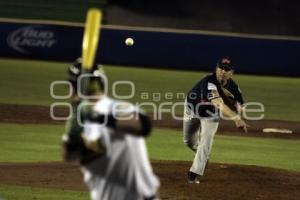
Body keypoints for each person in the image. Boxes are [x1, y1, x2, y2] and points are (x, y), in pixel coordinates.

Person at [62, 58, 160, 200]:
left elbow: (144, 126)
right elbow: (71, 155)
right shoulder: (77, 120)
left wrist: (97, 117)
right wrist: (73, 135)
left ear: (73, 86)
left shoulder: (115, 107)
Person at [183, 57, 248, 184]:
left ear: (232, 72)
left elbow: (241, 105)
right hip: (192, 109)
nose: (223, 71)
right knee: (188, 141)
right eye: (221, 68)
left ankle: (194, 173)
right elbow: (218, 103)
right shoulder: (209, 81)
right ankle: (202, 155)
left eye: (227, 69)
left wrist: (239, 110)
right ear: (216, 68)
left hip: (210, 114)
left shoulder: (234, 87)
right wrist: (235, 118)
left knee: (206, 139)